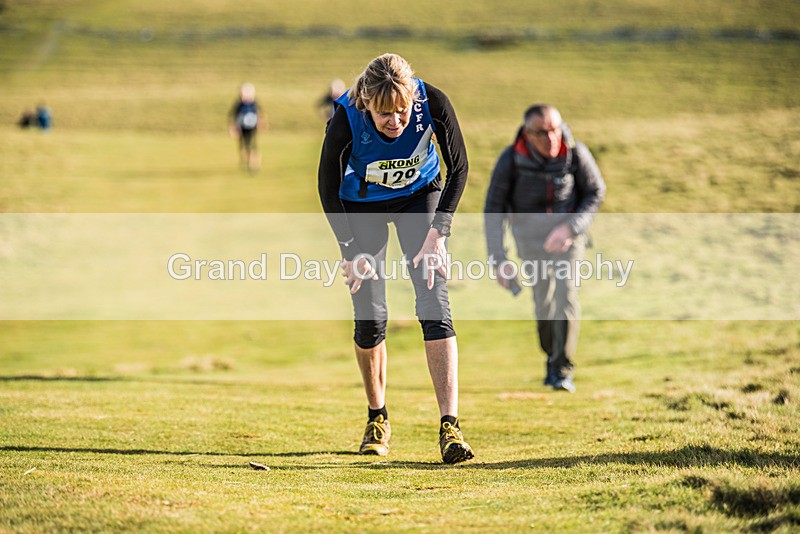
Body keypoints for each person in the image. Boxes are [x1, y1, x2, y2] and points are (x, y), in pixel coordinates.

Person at [317, 53, 474, 464]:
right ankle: (377, 416)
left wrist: (439, 233)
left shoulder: (432, 102)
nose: (396, 121)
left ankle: (450, 426)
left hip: (418, 198)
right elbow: (327, 187)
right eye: (385, 113)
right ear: (367, 103)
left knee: (433, 299)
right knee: (369, 313)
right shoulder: (346, 117)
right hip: (362, 205)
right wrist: (350, 253)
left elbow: (459, 168)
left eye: (402, 110)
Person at [484, 104, 606, 393]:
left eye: (555, 129)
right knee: (543, 302)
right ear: (528, 134)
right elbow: (493, 210)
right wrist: (498, 259)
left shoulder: (576, 152)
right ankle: (551, 358)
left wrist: (570, 228)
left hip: (568, 238)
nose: (552, 138)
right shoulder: (511, 159)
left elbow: (595, 191)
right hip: (529, 242)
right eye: (542, 132)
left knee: (566, 293)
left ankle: (562, 369)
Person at [228, 83, 266, 172]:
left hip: (252, 128)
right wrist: (233, 128)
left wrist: (261, 124)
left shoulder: (254, 104)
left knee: (252, 146)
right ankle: (248, 160)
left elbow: (260, 114)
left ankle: (254, 163)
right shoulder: (239, 105)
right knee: (243, 148)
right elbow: (233, 116)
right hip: (242, 128)